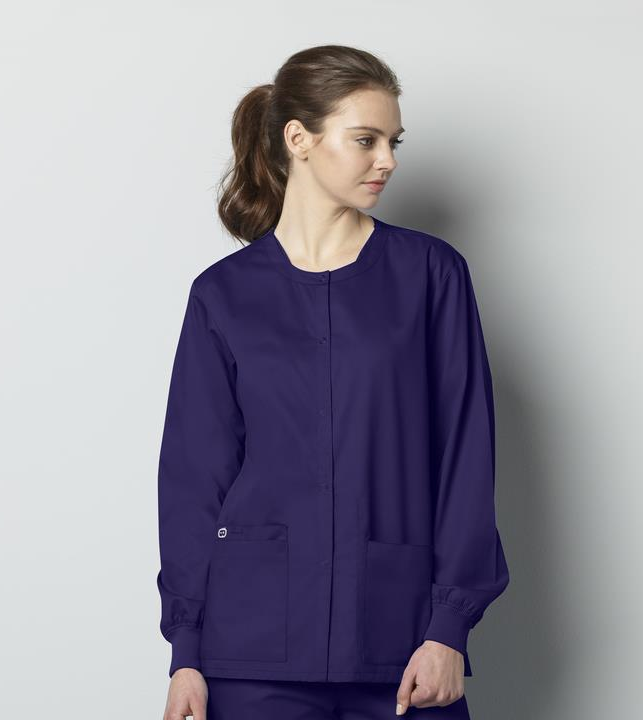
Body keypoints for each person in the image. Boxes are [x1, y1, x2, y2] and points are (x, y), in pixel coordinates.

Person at [156, 44, 510, 720]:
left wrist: (448, 627)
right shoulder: (223, 294)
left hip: (401, 642)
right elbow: (194, 480)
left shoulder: (430, 275)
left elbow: (466, 456)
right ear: (300, 139)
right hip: (251, 650)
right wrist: (187, 652)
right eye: (366, 139)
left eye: (394, 142)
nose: (388, 160)